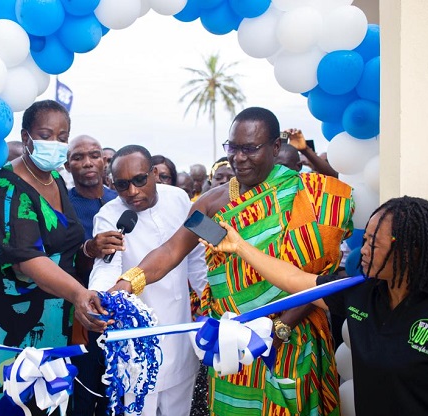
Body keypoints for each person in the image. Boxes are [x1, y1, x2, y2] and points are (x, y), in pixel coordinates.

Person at [109, 107, 354, 415]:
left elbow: (320, 276)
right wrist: (128, 282)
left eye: (249, 149)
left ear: (275, 147)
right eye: (232, 147)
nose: (238, 158)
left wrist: (279, 329)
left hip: (289, 337)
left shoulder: (306, 195)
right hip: (230, 343)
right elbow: (172, 251)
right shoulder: (213, 204)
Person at [203, 195, 428, 416]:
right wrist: (239, 246)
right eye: (365, 240)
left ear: (410, 251)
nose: (363, 251)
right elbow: (293, 279)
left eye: (374, 244)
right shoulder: (360, 292)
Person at [0, 100, 107, 416]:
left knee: (45, 402)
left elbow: (63, 246)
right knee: (5, 403)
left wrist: (89, 249)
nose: (55, 144)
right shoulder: (5, 186)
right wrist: (78, 293)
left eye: (63, 137)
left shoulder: (56, 179)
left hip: (52, 321)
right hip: (6, 324)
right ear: (26, 137)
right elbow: (26, 259)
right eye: (46, 135)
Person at [90, 145, 207, 416]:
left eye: (139, 180)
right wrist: (99, 296)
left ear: (154, 173)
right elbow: (106, 266)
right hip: (137, 342)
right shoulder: (109, 215)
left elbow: (196, 255)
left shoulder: (179, 198)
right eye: (122, 185)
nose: (132, 191)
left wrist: (210, 297)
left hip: (179, 332)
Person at [64, 134, 119, 416]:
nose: (88, 162)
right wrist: (89, 250)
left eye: (94, 155)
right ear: (67, 165)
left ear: (104, 161)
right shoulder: (62, 204)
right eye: (78, 157)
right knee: (82, 396)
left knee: (117, 395)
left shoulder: (121, 200)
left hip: (121, 311)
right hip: (79, 316)